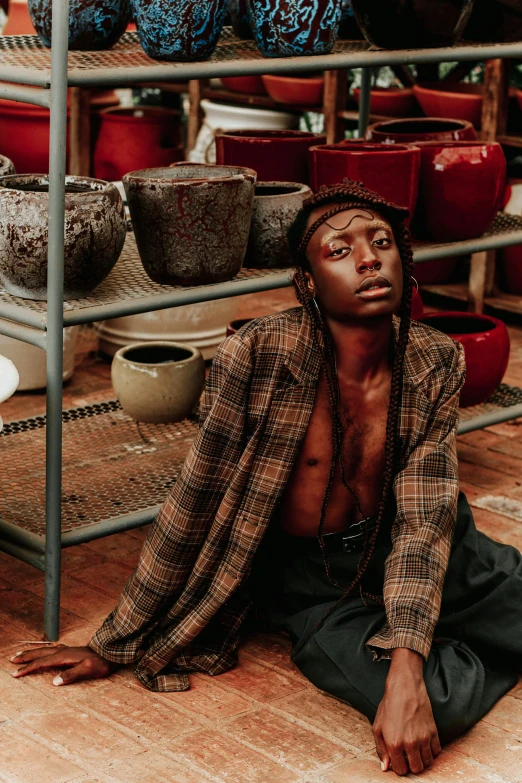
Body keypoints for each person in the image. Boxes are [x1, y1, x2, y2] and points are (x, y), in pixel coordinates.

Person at [10, 181, 522, 777]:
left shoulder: (434, 359)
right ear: (307, 284)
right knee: (435, 708)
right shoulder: (256, 357)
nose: (367, 259)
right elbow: (193, 500)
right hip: (320, 580)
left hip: (431, 549)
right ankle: (457, 629)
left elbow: (423, 521)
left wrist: (407, 659)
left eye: (380, 243)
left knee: (429, 657)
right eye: (339, 251)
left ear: (403, 262)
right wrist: (113, 640)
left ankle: (440, 620)